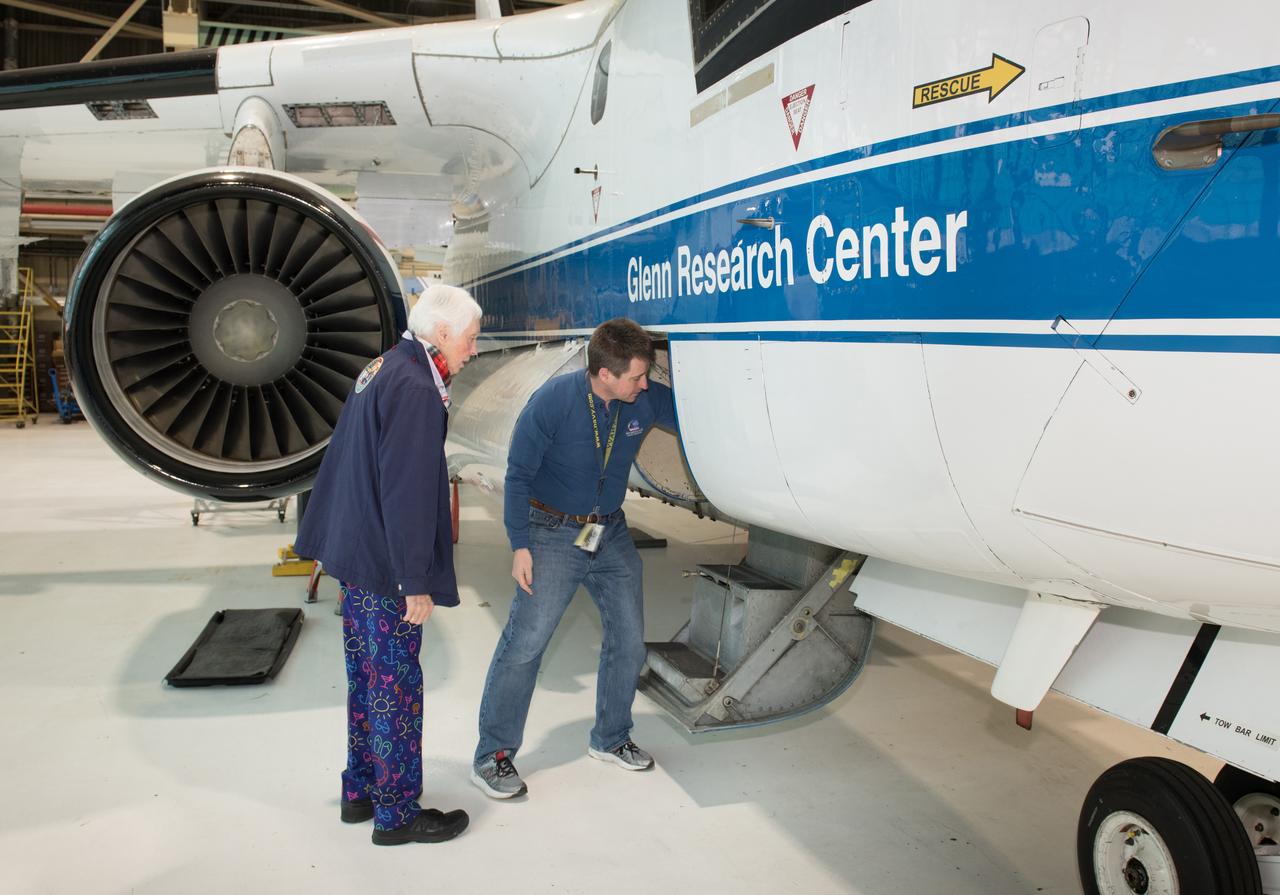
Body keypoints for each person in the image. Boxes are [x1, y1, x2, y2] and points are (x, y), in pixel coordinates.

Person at [295, 284, 481, 845]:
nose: (474, 349)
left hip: (354, 554)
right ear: (443, 334)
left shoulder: (384, 365)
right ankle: (397, 813)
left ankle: (361, 789)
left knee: (366, 681)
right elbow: (406, 492)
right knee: (395, 685)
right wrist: (414, 581)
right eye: (471, 338)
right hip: (383, 566)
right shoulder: (416, 387)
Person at [471, 317, 676, 799]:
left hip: (609, 531)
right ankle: (492, 755)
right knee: (526, 644)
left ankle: (610, 737)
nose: (645, 384)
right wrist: (519, 544)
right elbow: (518, 475)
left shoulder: (643, 400)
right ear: (605, 374)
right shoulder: (553, 403)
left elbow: (693, 413)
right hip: (551, 532)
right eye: (636, 376)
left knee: (629, 640)